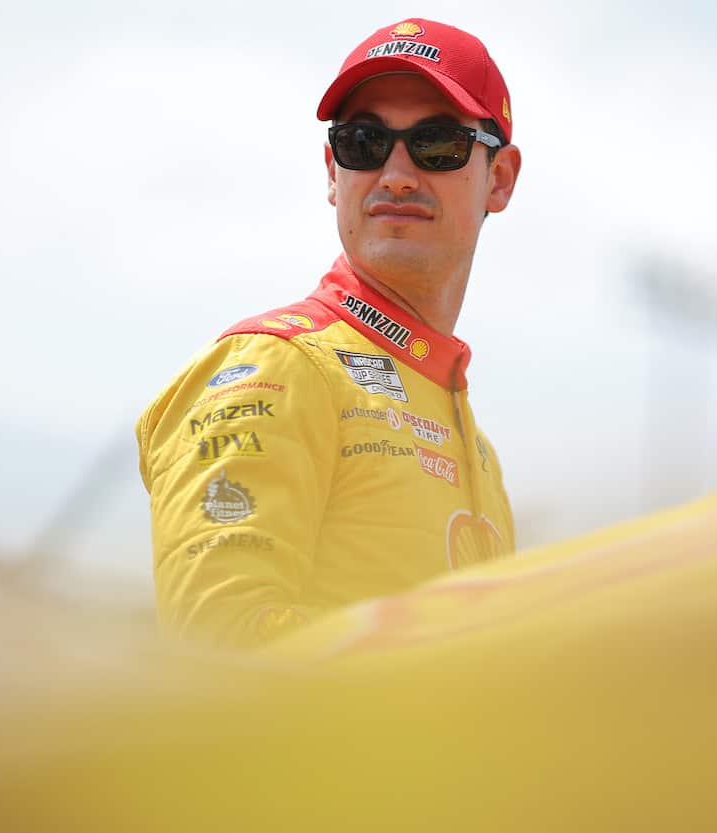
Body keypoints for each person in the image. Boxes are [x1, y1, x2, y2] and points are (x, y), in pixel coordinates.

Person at [136, 18, 522, 649]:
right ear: (332, 170)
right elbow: (218, 646)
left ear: (499, 179)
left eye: (439, 143)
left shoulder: (477, 447)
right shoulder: (275, 367)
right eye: (364, 142)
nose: (396, 173)